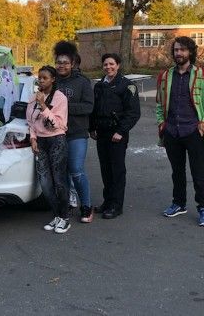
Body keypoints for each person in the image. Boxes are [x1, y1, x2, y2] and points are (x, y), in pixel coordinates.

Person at [157, 36, 204, 227]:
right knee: (177, 172)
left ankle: (203, 209)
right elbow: (160, 105)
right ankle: (178, 203)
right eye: (176, 50)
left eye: (183, 50)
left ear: (190, 52)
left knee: (199, 172)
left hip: (193, 132)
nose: (179, 53)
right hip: (172, 132)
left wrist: (202, 126)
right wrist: (162, 124)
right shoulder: (166, 76)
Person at [89, 53, 140, 219]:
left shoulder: (127, 86)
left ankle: (116, 205)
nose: (108, 67)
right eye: (105, 64)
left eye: (111, 64)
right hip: (102, 133)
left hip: (117, 133)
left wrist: (121, 131)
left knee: (117, 170)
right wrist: (92, 128)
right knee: (105, 169)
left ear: (118, 65)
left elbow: (133, 113)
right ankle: (107, 201)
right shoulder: (99, 86)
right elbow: (94, 109)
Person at [26, 66, 70, 233]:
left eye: (45, 78)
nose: (41, 80)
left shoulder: (60, 98)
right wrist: (33, 138)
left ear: (53, 80)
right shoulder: (32, 98)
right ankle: (57, 215)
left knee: (59, 181)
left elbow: (57, 124)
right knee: (45, 183)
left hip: (56, 140)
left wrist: (43, 106)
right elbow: (31, 122)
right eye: (39, 78)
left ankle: (64, 218)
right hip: (41, 143)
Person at [54, 41, 94, 223]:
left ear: (72, 63)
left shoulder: (83, 82)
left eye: (65, 62)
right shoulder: (52, 81)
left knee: (76, 169)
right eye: (58, 62)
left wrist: (65, 107)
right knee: (62, 172)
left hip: (77, 133)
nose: (61, 65)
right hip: (56, 133)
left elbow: (88, 107)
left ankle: (86, 205)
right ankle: (69, 203)